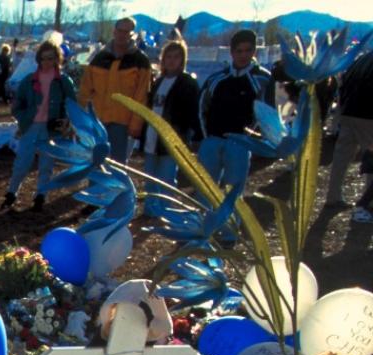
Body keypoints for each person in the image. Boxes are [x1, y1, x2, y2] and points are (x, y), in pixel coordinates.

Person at [197, 29, 274, 192]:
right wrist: (206, 137)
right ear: (232, 52)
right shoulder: (217, 79)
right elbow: (202, 107)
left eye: (248, 50)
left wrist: (254, 139)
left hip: (240, 143)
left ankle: (232, 219)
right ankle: (203, 217)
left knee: (233, 194)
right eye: (239, 51)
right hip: (213, 140)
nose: (243, 55)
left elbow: (270, 114)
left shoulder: (263, 80)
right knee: (205, 192)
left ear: (254, 51)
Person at [3, 41, 75, 212]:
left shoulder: (64, 81)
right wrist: (23, 118)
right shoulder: (29, 80)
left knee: (46, 164)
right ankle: (11, 192)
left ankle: (41, 195)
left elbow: (72, 105)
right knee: (22, 162)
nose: (47, 62)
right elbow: (17, 104)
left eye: (50, 58)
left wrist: (65, 121)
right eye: (43, 59)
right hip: (31, 126)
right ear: (38, 60)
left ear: (57, 59)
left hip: (52, 129)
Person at [78, 17, 152, 163]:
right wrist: (81, 120)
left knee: (117, 169)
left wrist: (135, 124)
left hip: (123, 124)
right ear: (114, 31)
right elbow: (85, 90)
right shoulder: (99, 58)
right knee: (96, 165)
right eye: (120, 31)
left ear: (133, 35)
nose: (122, 35)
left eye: (127, 32)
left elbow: (142, 95)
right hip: (98, 122)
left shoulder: (140, 61)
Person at [141, 40, 199, 212]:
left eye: (176, 57)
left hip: (171, 139)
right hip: (152, 136)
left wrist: (184, 136)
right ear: (163, 59)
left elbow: (191, 113)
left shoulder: (188, 83)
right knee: (150, 176)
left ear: (183, 60)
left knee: (167, 177)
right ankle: (150, 209)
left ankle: (165, 210)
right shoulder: (157, 82)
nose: (172, 61)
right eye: (169, 57)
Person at [325, 50, 373, 208]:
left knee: (341, 157)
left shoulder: (361, 59)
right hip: (367, 115)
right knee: (371, 159)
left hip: (348, 111)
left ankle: (333, 195)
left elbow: (343, 83)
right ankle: (369, 202)